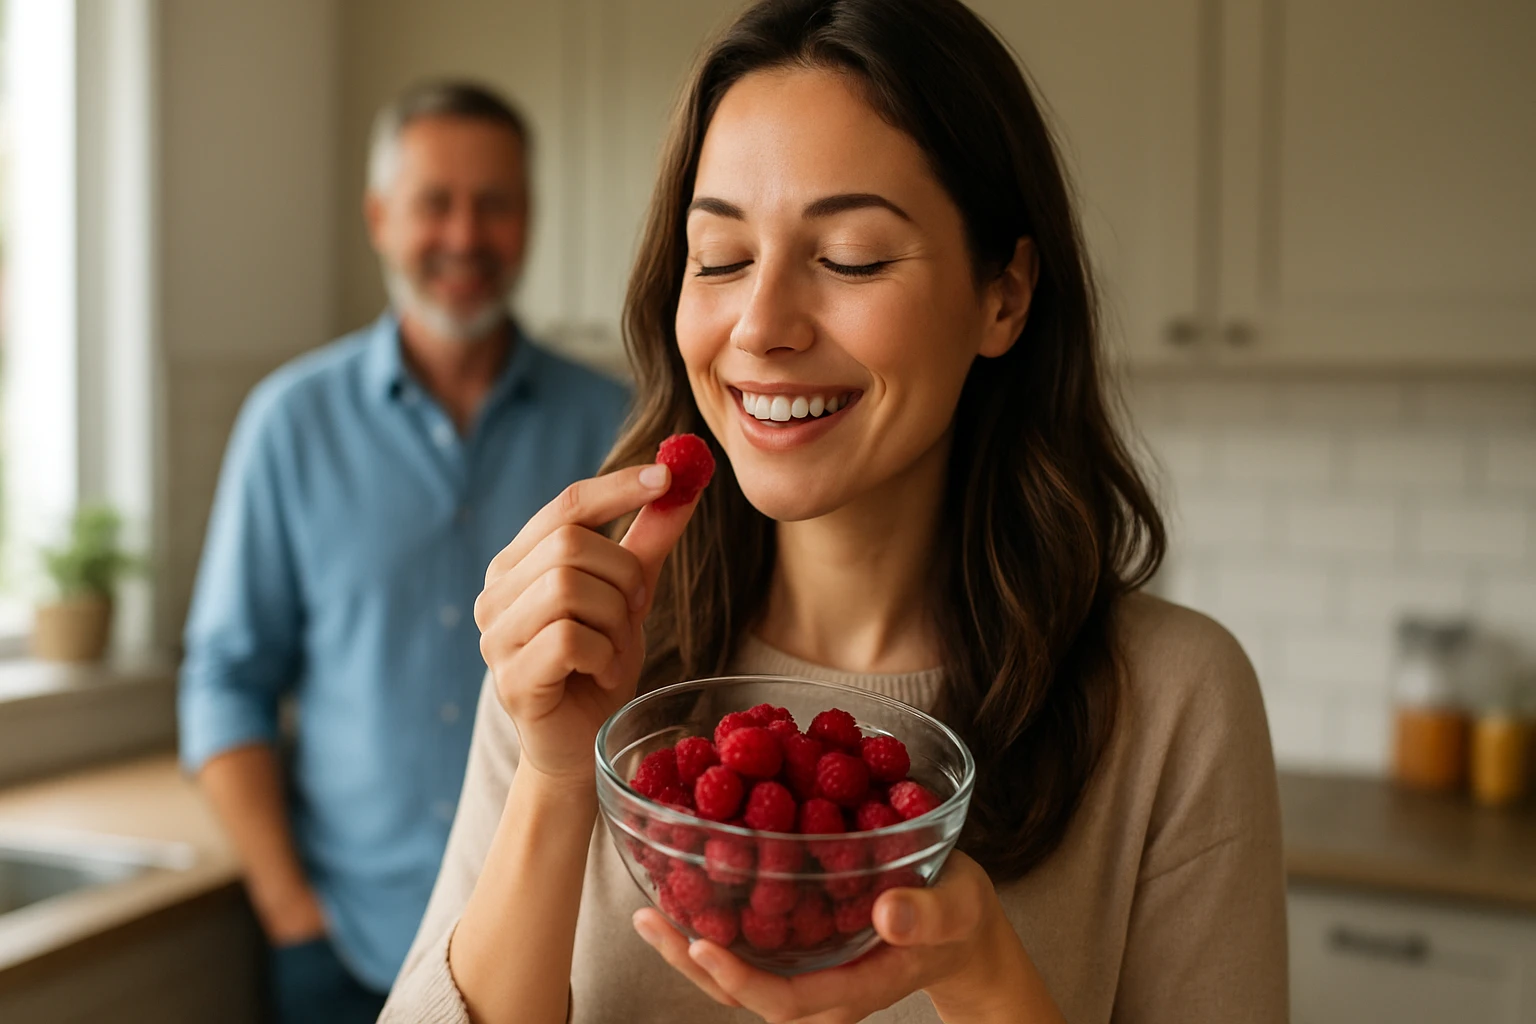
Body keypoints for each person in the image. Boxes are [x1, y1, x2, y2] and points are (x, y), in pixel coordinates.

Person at [382, 1, 1287, 1020]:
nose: (760, 327)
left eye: (851, 256)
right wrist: (552, 780)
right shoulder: (590, 642)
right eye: (719, 259)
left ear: (1005, 295)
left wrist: (990, 977)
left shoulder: (1172, 702)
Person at [177, 80, 628, 1024]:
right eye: (435, 201)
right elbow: (224, 679)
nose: (465, 234)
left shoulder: (617, 429)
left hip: (566, 950)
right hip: (341, 948)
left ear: (530, 220)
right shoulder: (288, 424)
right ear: (381, 218)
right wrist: (290, 912)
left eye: (494, 203)